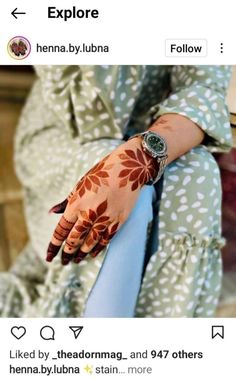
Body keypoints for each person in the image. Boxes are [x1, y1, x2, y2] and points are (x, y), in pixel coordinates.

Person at [0, 65, 232, 317]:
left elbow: (202, 88)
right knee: (129, 195)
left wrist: (138, 157)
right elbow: (88, 111)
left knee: (197, 170)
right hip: (68, 130)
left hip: (149, 129)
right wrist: (122, 172)